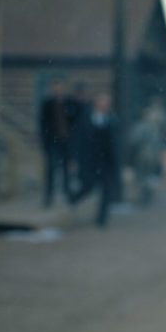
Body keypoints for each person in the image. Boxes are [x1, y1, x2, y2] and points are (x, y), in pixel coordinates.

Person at [69, 93, 119, 227]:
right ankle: (73, 198)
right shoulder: (86, 119)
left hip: (105, 161)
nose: (106, 106)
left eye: (107, 104)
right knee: (88, 186)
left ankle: (102, 219)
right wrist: (74, 158)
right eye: (103, 103)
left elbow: (113, 143)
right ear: (97, 103)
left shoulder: (111, 120)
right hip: (89, 161)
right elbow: (77, 139)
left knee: (107, 189)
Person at [39, 79, 74, 207]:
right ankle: (49, 196)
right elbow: (43, 123)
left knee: (66, 169)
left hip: (66, 141)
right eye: (56, 87)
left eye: (60, 87)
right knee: (51, 168)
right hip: (52, 141)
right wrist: (45, 139)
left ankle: (68, 194)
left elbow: (74, 120)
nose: (58, 90)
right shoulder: (47, 104)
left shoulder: (69, 102)